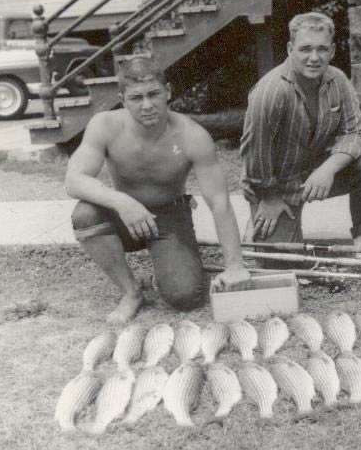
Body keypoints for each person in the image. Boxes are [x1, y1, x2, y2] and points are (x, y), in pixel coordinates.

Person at [65, 56, 250, 325]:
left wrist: (234, 266)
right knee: (85, 215)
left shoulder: (192, 136)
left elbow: (219, 202)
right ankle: (131, 293)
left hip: (169, 216)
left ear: (168, 92)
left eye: (154, 94)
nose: (147, 105)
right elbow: (74, 180)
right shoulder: (104, 125)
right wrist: (122, 202)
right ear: (122, 99)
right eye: (136, 98)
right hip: (123, 216)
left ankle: (168, 262)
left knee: (185, 297)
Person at [240, 12, 361, 267]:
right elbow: (254, 155)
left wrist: (328, 169)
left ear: (332, 50)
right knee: (281, 265)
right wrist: (268, 198)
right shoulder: (271, 91)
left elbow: (355, 132)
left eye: (322, 49)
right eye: (305, 49)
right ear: (290, 49)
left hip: (314, 175)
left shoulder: (338, 80)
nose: (314, 57)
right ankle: (256, 222)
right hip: (273, 185)